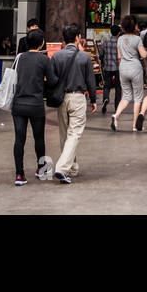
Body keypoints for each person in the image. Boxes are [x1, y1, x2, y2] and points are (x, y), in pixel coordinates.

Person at [50, 25, 97, 183]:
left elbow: (52, 80)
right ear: (78, 37)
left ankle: (72, 168)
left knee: (65, 134)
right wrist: (94, 100)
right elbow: (91, 80)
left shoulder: (56, 57)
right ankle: (62, 168)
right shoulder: (84, 57)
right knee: (74, 134)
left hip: (62, 98)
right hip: (77, 97)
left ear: (63, 39)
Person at [11, 28, 53, 185]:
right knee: (39, 138)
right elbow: (52, 80)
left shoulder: (19, 58)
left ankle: (19, 175)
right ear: (42, 43)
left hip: (18, 104)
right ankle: (41, 169)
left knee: (19, 139)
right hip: (35, 104)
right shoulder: (44, 60)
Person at [112, 16, 145, 132]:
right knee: (138, 97)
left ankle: (116, 115)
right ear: (134, 26)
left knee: (125, 96)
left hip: (123, 68)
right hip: (135, 68)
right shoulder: (137, 39)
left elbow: (119, 57)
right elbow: (143, 55)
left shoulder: (120, 39)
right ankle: (135, 125)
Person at [99, 24, 121, 115]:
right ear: (119, 32)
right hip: (118, 68)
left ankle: (106, 98)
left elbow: (101, 53)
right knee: (118, 87)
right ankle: (117, 106)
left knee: (107, 86)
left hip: (108, 67)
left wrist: (102, 60)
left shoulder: (106, 41)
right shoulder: (120, 42)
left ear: (110, 32)